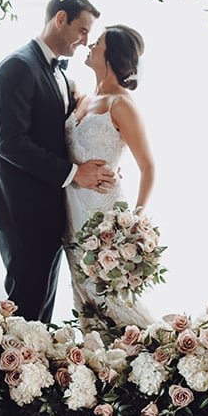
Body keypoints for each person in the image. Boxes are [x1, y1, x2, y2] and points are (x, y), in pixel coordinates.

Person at [0, 0, 117, 323]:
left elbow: (60, 134)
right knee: (24, 316)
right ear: (60, 19)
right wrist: (74, 173)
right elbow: (10, 144)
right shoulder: (18, 67)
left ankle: (30, 374)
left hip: (50, 212)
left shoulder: (57, 72)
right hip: (23, 213)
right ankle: (9, 377)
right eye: (82, 30)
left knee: (39, 318)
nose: (86, 41)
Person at [64, 24, 156, 328]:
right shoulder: (82, 99)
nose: (90, 45)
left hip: (103, 216)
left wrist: (133, 224)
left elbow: (148, 167)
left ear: (112, 56)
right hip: (72, 215)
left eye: (98, 43)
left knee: (112, 301)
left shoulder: (122, 104)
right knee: (86, 303)